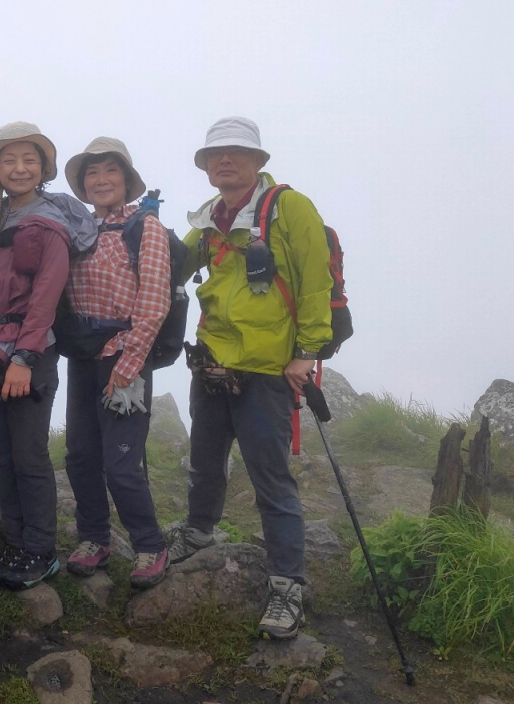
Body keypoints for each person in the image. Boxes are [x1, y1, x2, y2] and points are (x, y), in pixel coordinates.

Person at [170, 116, 333, 640]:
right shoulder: (210, 220)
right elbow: (174, 265)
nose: (225, 161)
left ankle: (288, 582)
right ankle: (199, 533)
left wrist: (306, 353)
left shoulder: (290, 208)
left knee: (270, 477)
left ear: (259, 161)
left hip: (268, 369)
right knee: (205, 459)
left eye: (237, 153)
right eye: (216, 155)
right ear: (207, 166)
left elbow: (315, 282)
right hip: (214, 361)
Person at [0, 122, 95, 589]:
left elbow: (46, 294)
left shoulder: (48, 220)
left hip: (23, 355)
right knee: (0, 454)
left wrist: (24, 357)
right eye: (9, 159)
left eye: (29, 160)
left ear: (43, 168)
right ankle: (15, 540)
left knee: (29, 455)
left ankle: (39, 550)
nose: (19, 168)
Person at [60, 137, 171, 589]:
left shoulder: (146, 228)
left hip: (124, 354)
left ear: (126, 180)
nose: (101, 180)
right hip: (84, 356)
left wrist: (130, 362)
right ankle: (94, 538)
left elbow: (155, 300)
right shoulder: (77, 229)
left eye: (111, 171)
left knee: (121, 461)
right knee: (81, 455)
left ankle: (150, 545)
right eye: (92, 173)